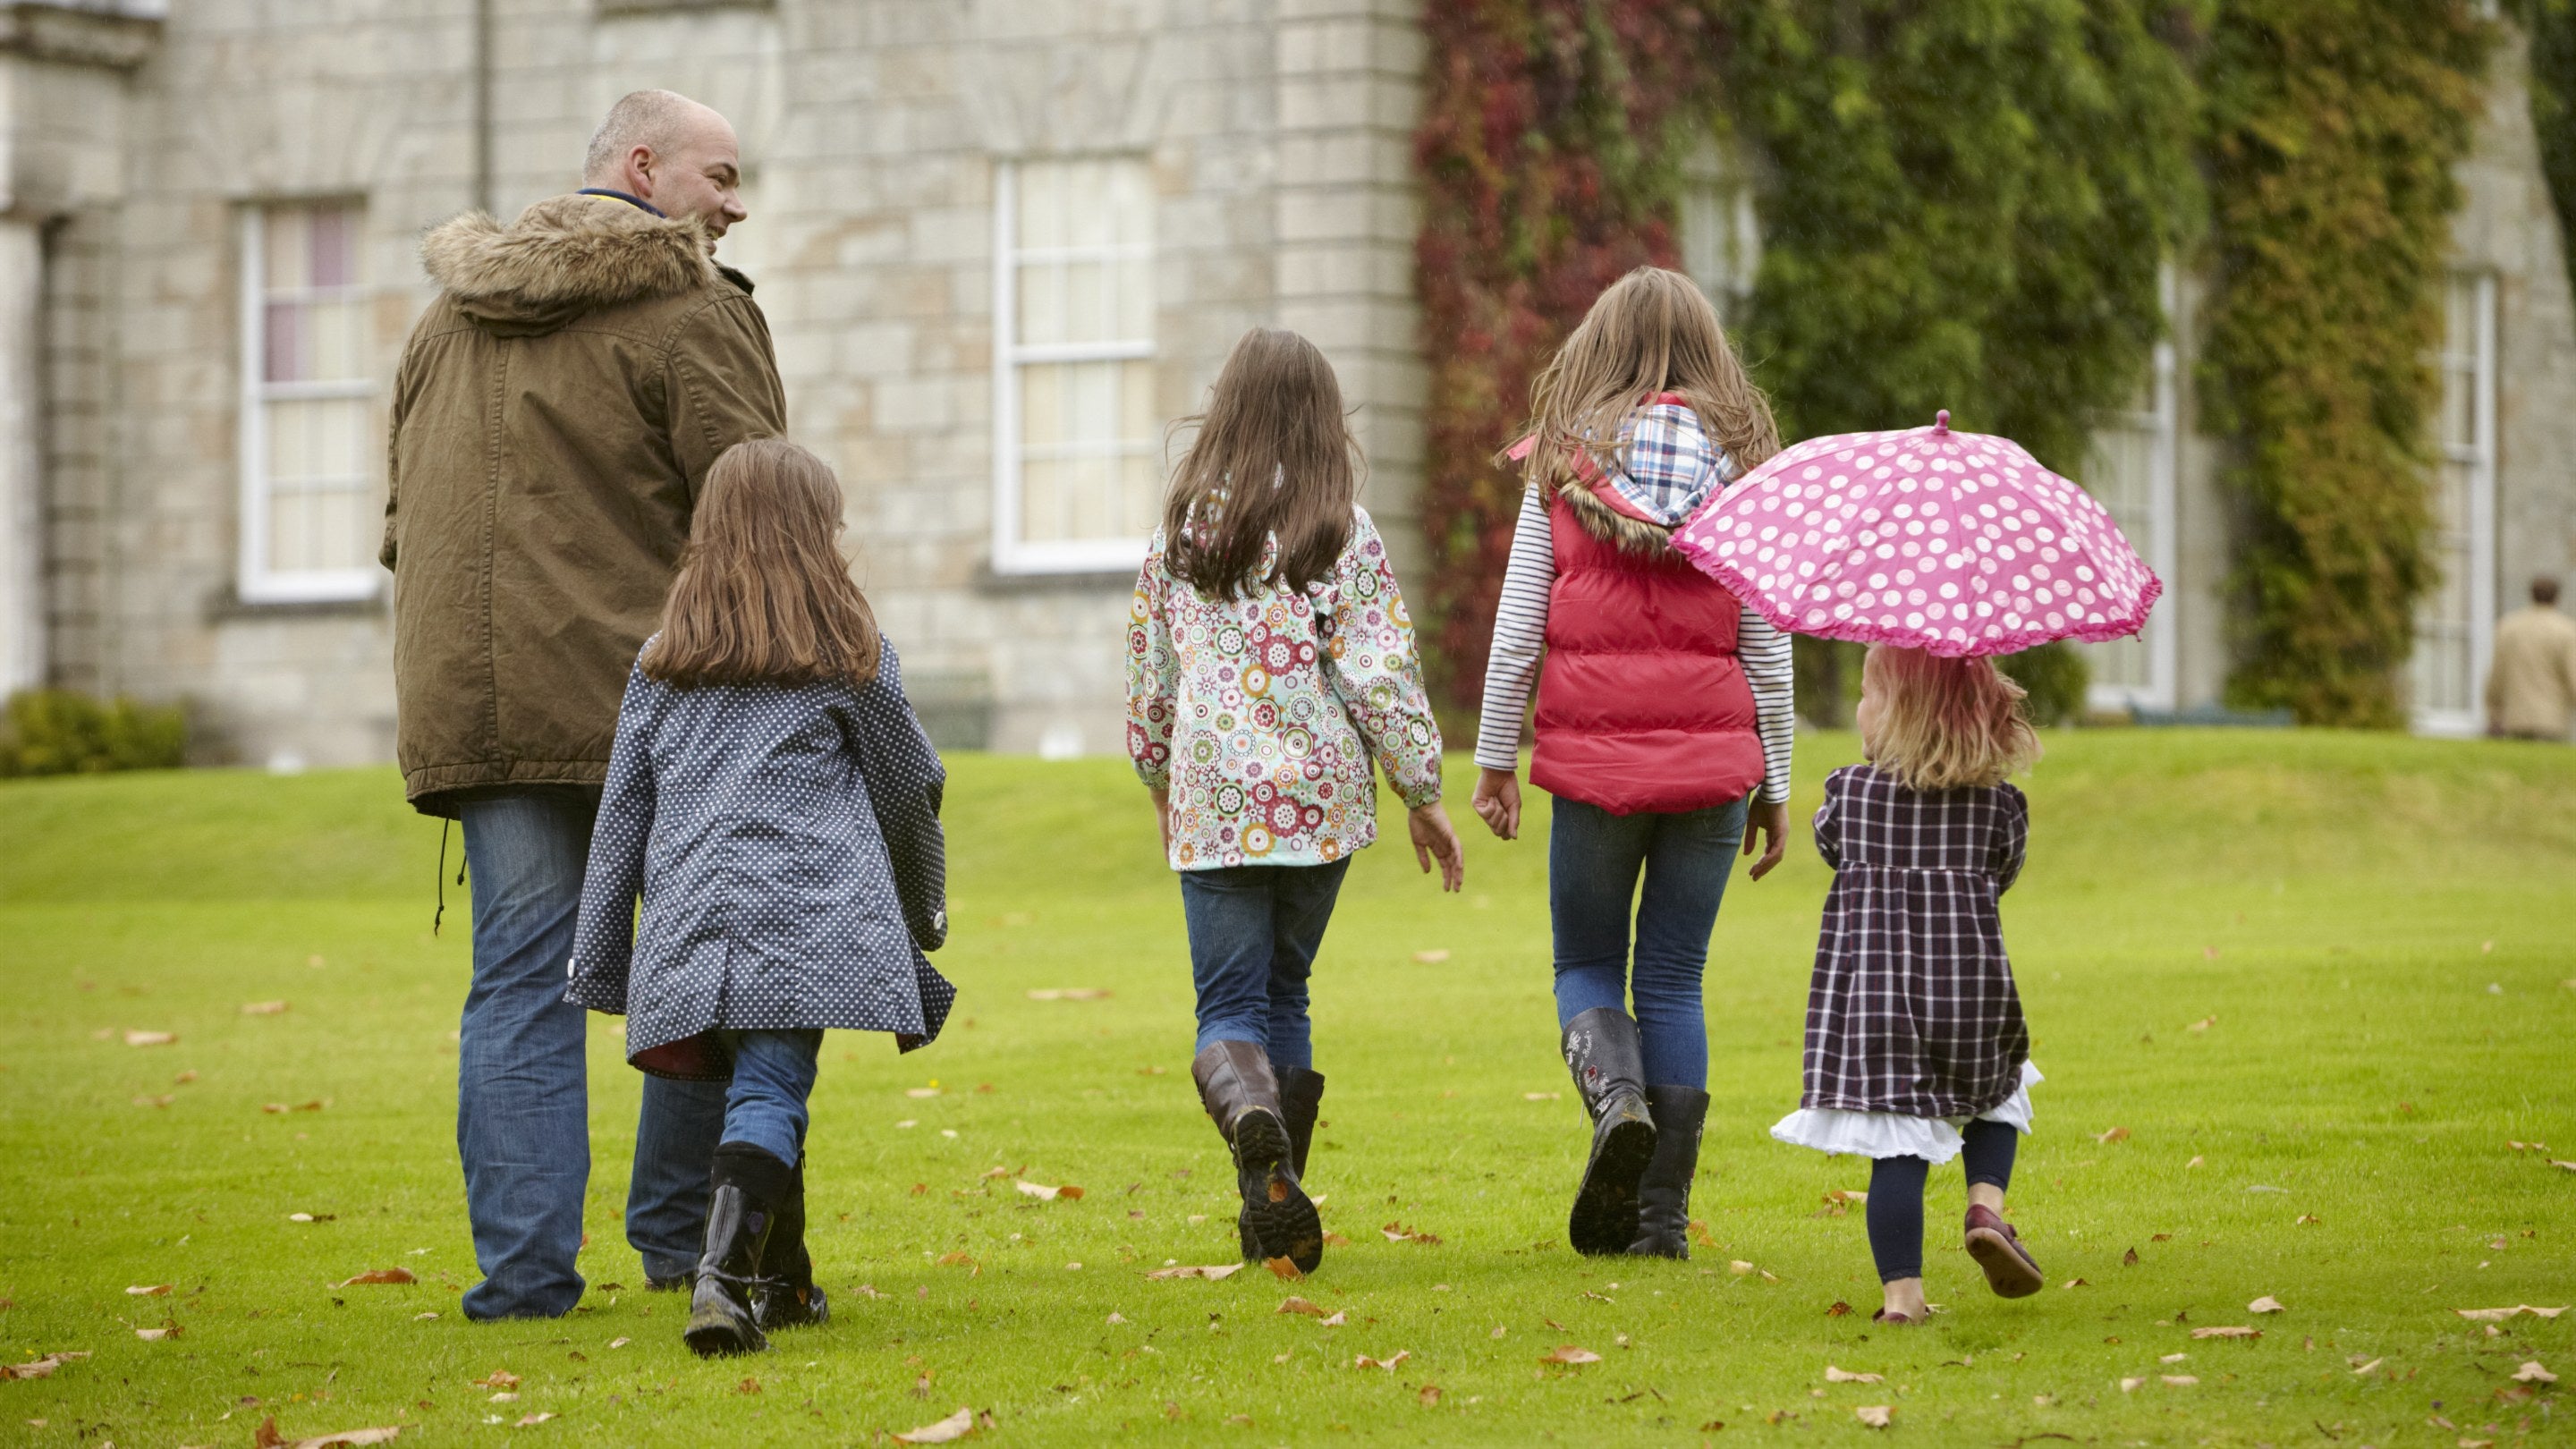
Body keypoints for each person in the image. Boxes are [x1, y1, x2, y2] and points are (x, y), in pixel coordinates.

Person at [380, 89, 784, 1318]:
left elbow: (402, 525)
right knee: (707, 968)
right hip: (660, 696)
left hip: (485, 704)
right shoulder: (692, 309)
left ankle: (523, 1282)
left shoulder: (445, 318)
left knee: (518, 984)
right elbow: (757, 513)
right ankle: (678, 1245)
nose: (735, 201)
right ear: (645, 166)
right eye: (720, 176)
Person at [567, 439, 953, 1359]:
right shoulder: (850, 654)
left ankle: (784, 1283)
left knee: (764, 1091)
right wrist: (920, 904)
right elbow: (911, 786)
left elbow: (622, 812)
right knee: (775, 1086)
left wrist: (603, 954)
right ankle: (724, 1284)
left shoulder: (664, 661)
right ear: (815, 538)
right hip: (808, 922)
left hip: (693, 924)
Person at [1468, 267, 1794, 1258]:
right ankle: (1660, 1222)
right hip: (1713, 769)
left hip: (1595, 768)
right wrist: (1776, 778)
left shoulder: (1561, 465)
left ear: (1599, 348)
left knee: (1585, 963)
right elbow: (1767, 644)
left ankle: (1617, 1109)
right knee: (1676, 978)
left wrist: (1491, 758)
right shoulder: (1747, 472)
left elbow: (1521, 623)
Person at [1126, 327, 1465, 1275]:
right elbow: (1382, 677)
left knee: (1229, 1001)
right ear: (1324, 419)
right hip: (1318, 801)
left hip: (1217, 799)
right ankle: (1276, 1209)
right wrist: (1421, 790)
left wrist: (1157, 777)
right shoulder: (1342, 532)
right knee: (1287, 990)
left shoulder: (1180, 534)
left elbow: (1151, 677)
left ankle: (1255, 1145)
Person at [1770, 645, 2046, 1325]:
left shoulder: (1850, 797)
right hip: (1969, 993)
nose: (1860, 707)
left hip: (1880, 1007)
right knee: (1998, 1093)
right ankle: (1986, 1205)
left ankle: (1903, 1300)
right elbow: (2001, 874)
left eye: (1869, 694)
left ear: (1895, 713)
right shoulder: (1998, 806)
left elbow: (1830, 845)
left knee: (1897, 1144)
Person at [2487, 576, 2576, 741]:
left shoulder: (2509, 627)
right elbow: (2573, 676)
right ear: (2557, 598)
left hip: (2516, 718)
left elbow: (2497, 674)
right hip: (2552, 719)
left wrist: (2493, 708)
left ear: (2531, 595)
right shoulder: (2566, 630)